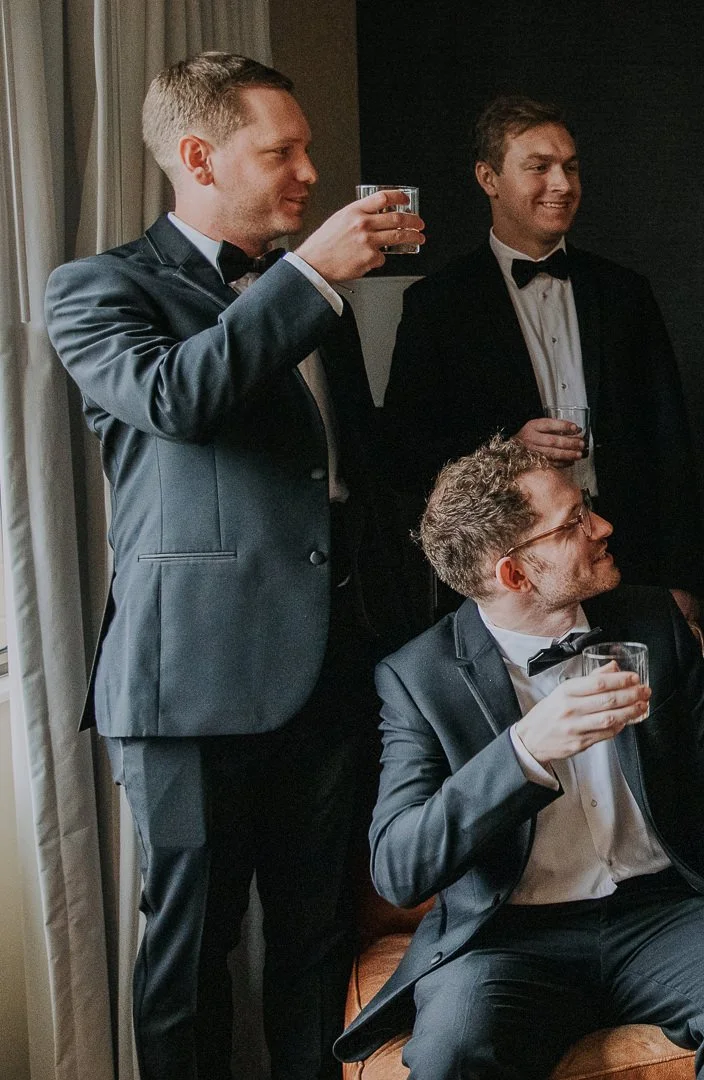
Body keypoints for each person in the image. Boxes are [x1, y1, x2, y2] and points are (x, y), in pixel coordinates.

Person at [44, 52, 422, 1079]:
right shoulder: (98, 287)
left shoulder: (312, 293)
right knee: (188, 949)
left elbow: (349, 470)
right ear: (200, 157)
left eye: (308, 149)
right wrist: (310, 279)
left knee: (316, 940)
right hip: (188, 683)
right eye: (282, 151)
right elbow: (176, 400)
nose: (309, 172)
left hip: (332, 665)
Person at [334, 437, 704, 1079]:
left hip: (658, 915)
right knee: (451, 1052)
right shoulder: (419, 678)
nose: (602, 527)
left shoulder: (653, 621)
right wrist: (524, 752)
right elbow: (398, 868)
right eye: (574, 522)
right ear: (514, 574)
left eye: (588, 508)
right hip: (508, 940)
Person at [383, 94, 702, 627]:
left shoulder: (626, 293)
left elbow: (670, 446)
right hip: (507, 575)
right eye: (539, 167)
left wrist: (682, 580)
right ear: (488, 177)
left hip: (629, 560)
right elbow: (405, 450)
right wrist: (508, 449)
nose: (563, 184)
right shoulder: (437, 305)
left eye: (570, 167)